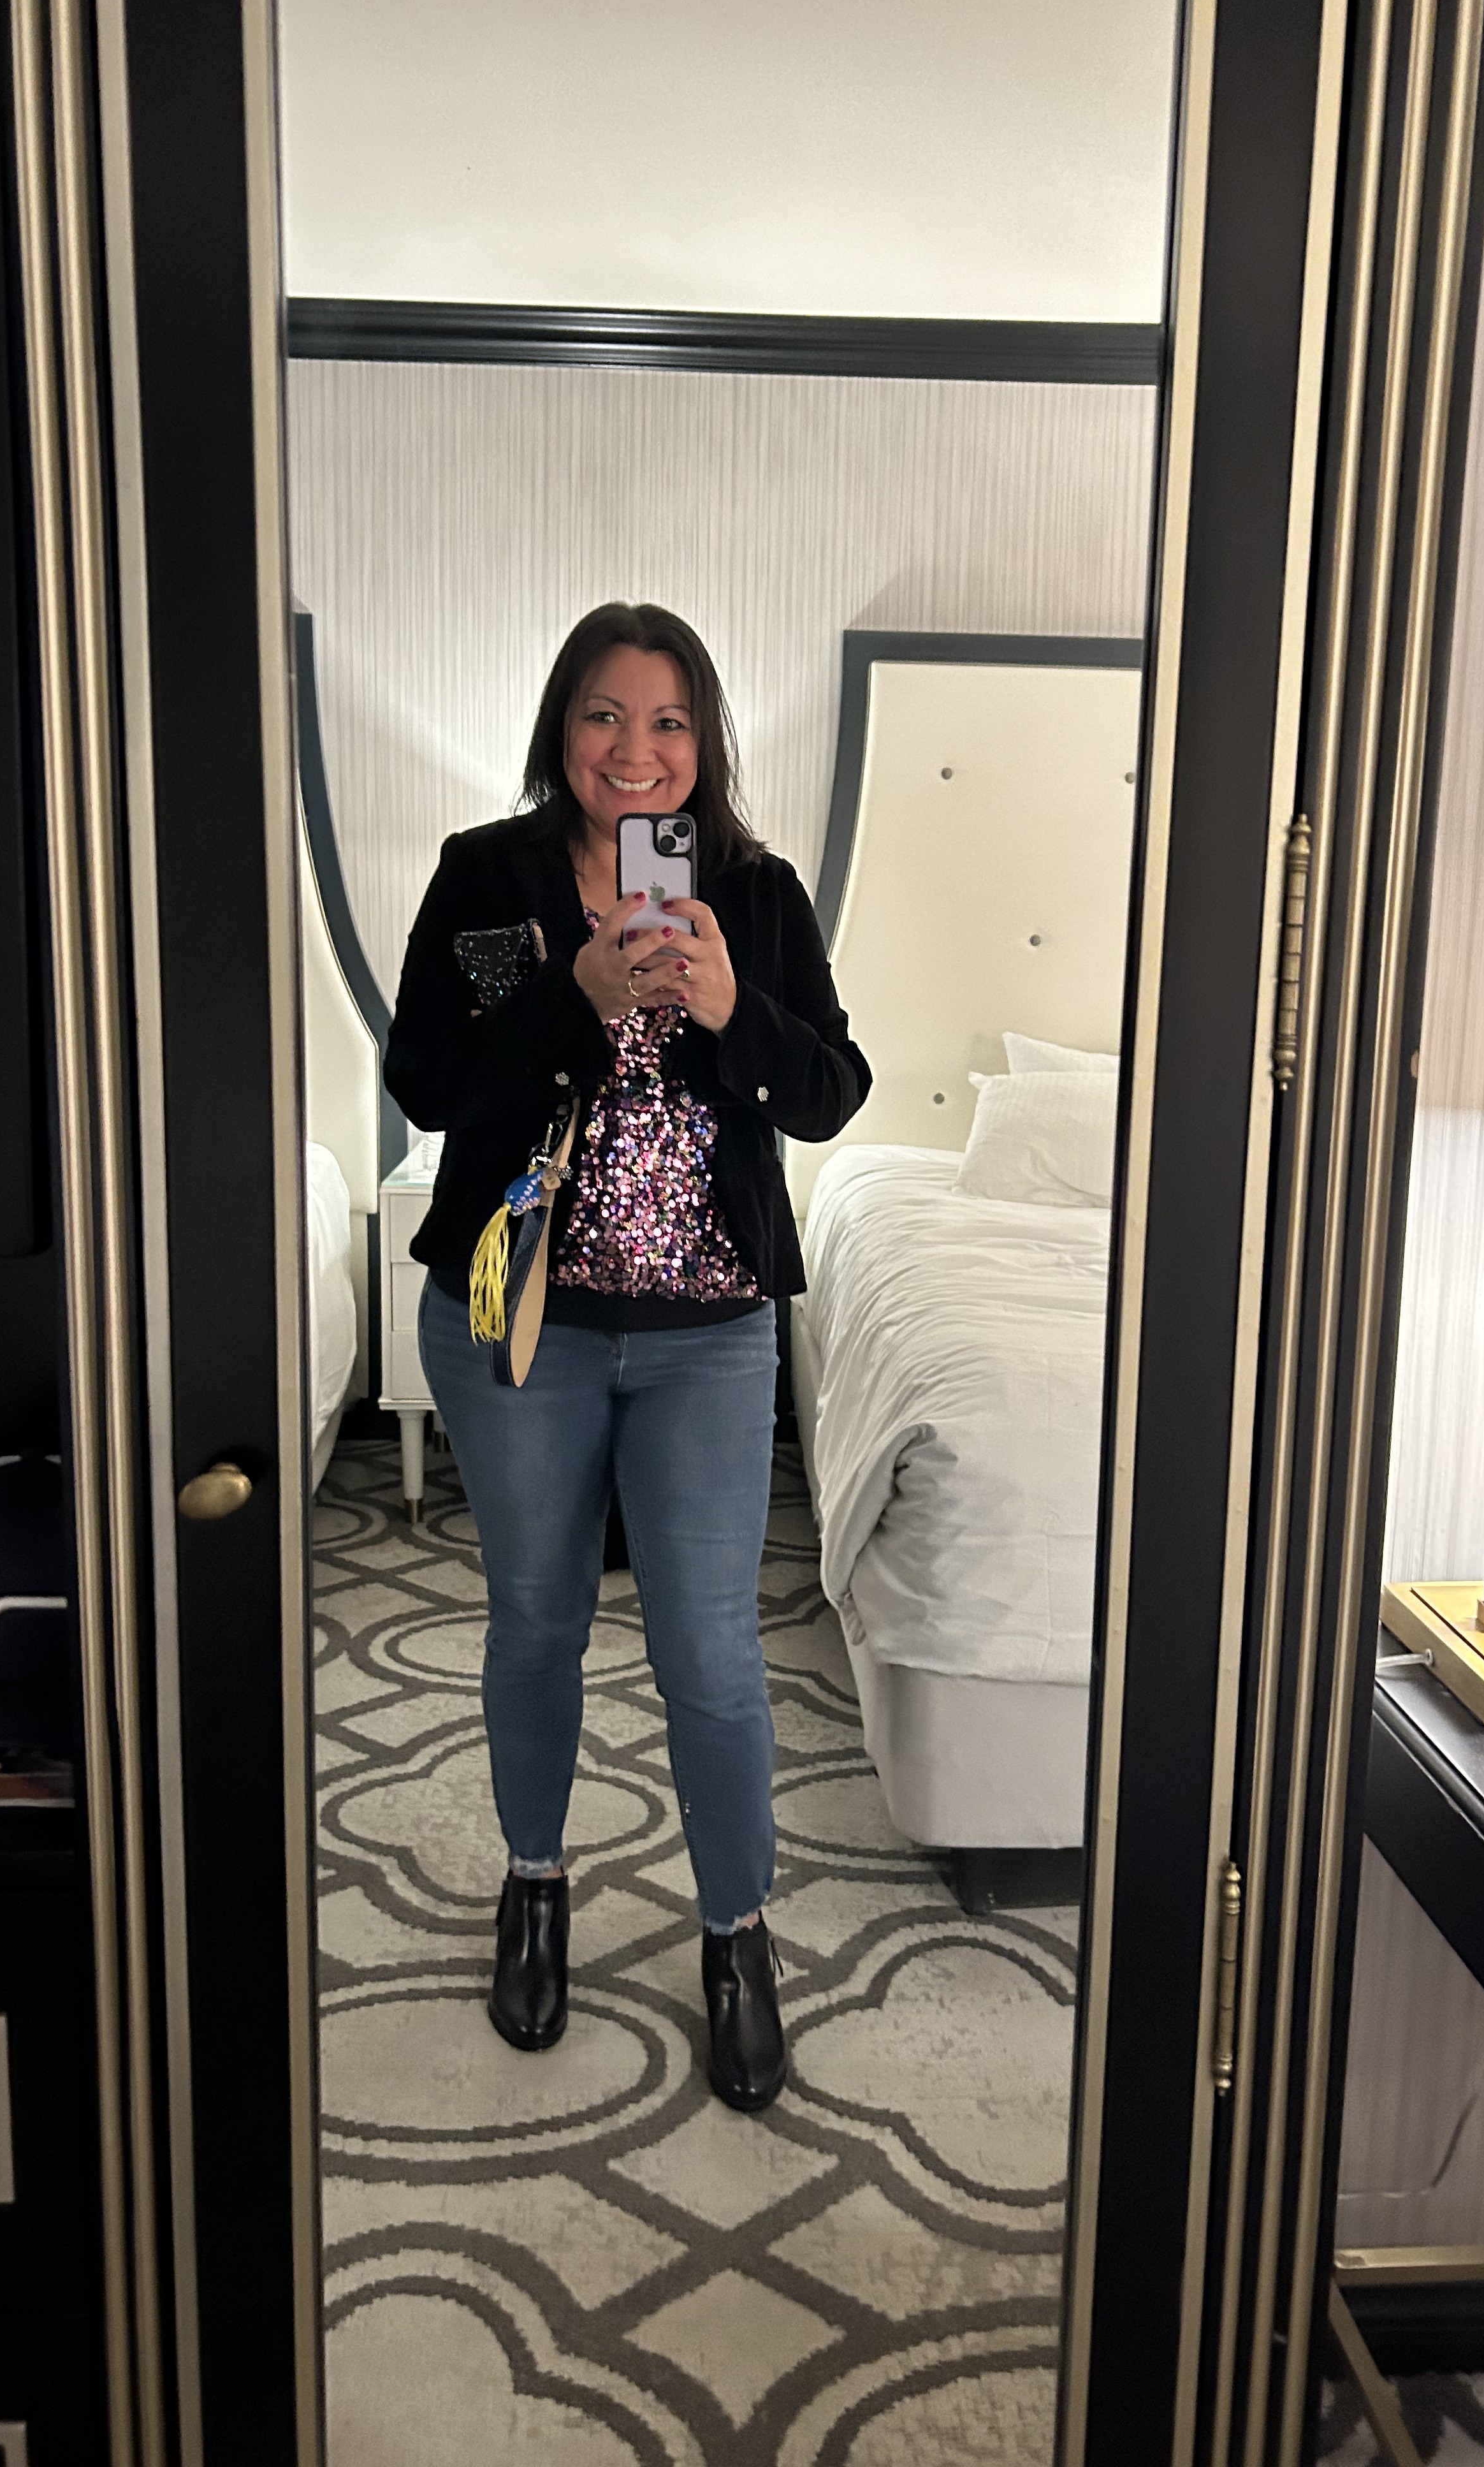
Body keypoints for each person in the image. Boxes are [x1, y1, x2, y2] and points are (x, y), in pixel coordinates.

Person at [385, 601, 870, 2112]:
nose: (636, 751)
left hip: (707, 1336)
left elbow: (832, 1091)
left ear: (705, 740)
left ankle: (737, 1933)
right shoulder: (490, 877)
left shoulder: (757, 893)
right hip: (519, 1321)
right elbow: (424, 1079)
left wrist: (731, 1009)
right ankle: (536, 1885)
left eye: (668, 722)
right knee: (534, 1622)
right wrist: (573, 999)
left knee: (710, 1650)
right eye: (604, 715)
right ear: (564, 729)